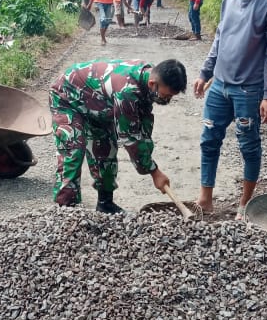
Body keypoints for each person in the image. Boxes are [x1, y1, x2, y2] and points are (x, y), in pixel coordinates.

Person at [193, 0, 267, 219]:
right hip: (220, 84)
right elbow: (220, 36)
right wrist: (205, 72)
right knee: (209, 139)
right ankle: (205, 199)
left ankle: (245, 203)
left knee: (248, 145)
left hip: (248, 88)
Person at [49, 59, 188, 213]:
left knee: (106, 149)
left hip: (98, 102)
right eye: (166, 95)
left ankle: (105, 203)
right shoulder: (127, 92)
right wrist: (154, 171)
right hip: (67, 98)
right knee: (73, 150)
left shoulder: (147, 77)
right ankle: (66, 210)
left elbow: (143, 125)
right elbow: (130, 138)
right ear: (152, 84)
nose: (168, 100)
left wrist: (147, 153)